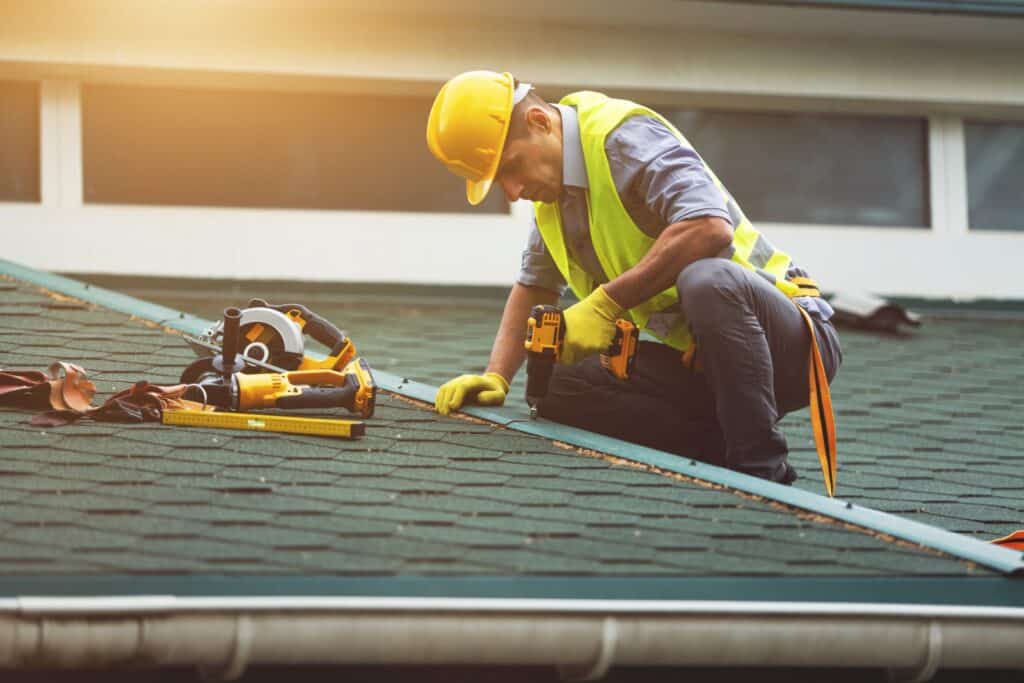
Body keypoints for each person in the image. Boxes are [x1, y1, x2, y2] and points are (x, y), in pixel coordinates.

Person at [425, 70, 842, 486]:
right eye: (500, 181)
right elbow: (536, 282)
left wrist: (605, 304)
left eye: (512, 167)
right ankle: (721, 449)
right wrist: (497, 375)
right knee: (557, 387)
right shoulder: (553, 195)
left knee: (707, 280)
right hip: (712, 368)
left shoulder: (622, 138)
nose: (513, 191)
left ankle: (760, 471)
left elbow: (708, 227)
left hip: (792, 345)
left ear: (540, 121)